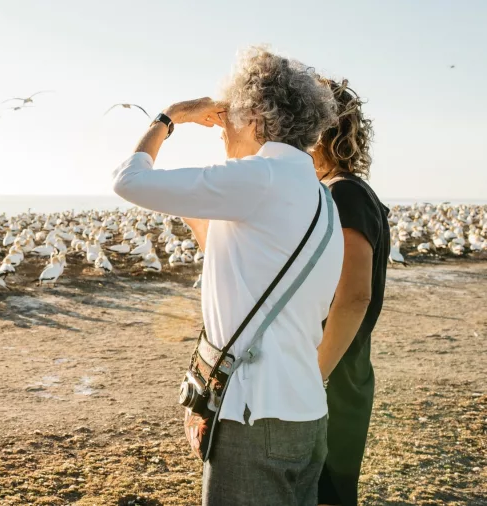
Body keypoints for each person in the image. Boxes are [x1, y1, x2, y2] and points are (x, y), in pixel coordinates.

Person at [112, 46, 344, 505]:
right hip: (306, 413)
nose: (220, 131)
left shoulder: (259, 179)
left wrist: (170, 117)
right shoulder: (321, 199)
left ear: (256, 116)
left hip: (254, 416)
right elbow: (240, 260)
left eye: (228, 116)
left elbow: (129, 181)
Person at [312, 79, 387, 506]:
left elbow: (354, 296)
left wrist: (314, 373)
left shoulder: (343, 194)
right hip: (344, 365)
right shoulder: (348, 190)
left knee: (328, 487)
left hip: (335, 371)